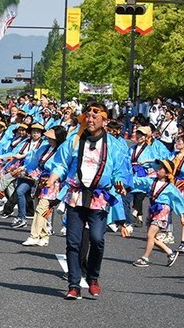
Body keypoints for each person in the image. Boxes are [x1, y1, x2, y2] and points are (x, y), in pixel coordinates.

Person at [45, 103, 132, 299]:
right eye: (88, 115)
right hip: (76, 195)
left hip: (99, 197)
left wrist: (120, 182)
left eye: (96, 115)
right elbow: (60, 163)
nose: (91, 119)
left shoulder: (115, 144)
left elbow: (122, 169)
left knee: (97, 239)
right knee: (73, 242)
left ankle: (93, 277)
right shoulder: (74, 141)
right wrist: (52, 179)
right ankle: (74, 285)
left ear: (105, 120)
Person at [129, 159, 184, 268]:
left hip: (162, 210)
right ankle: (170, 252)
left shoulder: (170, 187)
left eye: (161, 168)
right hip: (152, 209)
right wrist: (125, 180)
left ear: (166, 173)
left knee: (150, 235)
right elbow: (138, 181)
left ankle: (145, 258)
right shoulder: (151, 181)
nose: (158, 169)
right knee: (151, 237)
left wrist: (182, 217)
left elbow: (178, 202)